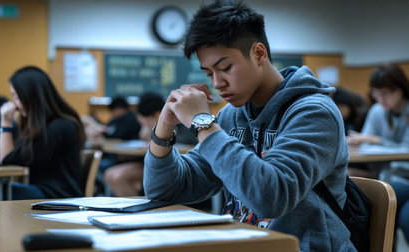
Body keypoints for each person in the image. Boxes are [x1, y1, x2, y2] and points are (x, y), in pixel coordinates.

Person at [143, 1, 352, 251]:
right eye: (209, 73)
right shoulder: (232, 115)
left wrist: (203, 123)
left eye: (225, 68)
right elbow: (165, 190)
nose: (217, 83)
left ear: (259, 54)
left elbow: (271, 197)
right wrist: (165, 126)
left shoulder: (314, 112)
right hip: (242, 243)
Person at [0, 66, 86, 200]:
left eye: (16, 96)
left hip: (58, 198)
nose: (14, 104)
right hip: (46, 193)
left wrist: (5, 121)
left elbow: (7, 160)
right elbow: (13, 156)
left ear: (30, 95)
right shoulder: (46, 125)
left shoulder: (58, 127)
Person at [347, 63, 409, 247]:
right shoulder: (377, 111)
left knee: (383, 203)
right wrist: (363, 141)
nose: (381, 99)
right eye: (376, 94)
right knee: (350, 184)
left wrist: (375, 140)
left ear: (401, 89)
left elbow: (406, 149)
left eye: (386, 93)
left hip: (403, 177)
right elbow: (365, 145)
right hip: (382, 174)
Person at [104, 92, 196, 197]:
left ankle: (139, 210)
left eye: (145, 121)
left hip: (174, 165)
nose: (145, 125)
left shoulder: (181, 124)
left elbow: (182, 146)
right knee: (109, 174)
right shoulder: (157, 126)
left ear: (157, 115)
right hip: (155, 162)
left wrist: (152, 132)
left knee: (118, 177)